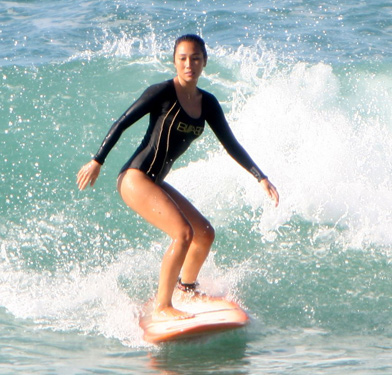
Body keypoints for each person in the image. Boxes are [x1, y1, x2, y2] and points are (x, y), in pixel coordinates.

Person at [77, 34, 279, 321]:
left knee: (204, 233)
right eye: (183, 58)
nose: (189, 64)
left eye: (195, 58)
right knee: (183, 233)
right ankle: (163, 305)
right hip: (135, 178)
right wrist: (98, 160)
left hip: (155, 181)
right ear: (174, 61)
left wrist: (260, 177)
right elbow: (121, 123)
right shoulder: (161, 93)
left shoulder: (207, 103)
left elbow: (230, 143)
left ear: (204, 62)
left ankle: (186, 288)